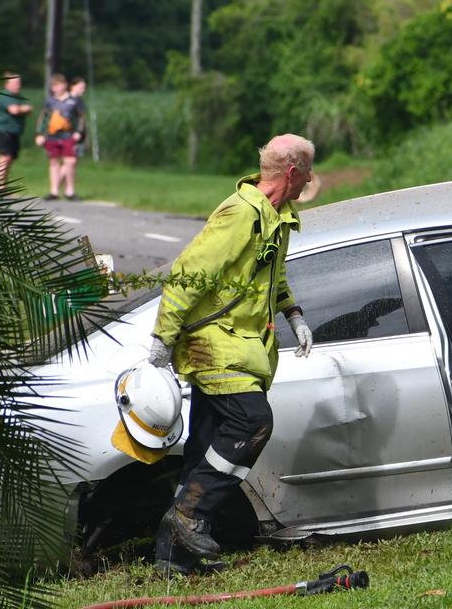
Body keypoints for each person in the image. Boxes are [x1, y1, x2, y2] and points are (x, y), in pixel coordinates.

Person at [146, 134, 316, 576]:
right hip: (216, 345)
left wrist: (293, 313)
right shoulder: (241, 213)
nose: (311, 179)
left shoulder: (275, 216)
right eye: (310, 170)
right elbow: (188, 274)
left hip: (241, 345)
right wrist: (163, 339)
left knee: (204, 444)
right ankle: (188, 515)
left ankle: (172, 559)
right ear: (293, 172)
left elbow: (270, 277)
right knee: (253, 421)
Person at [33, 73, 83, 200]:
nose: (56, 88)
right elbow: (43, 118)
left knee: (70, 161)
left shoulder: (73, 100)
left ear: (65, 85)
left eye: (58, 85)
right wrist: (39, 133)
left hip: (68, 134)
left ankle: (69, 190)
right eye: (54, 86)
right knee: (54, 161)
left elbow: (80, 118)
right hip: (52, 135)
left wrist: (78, 131)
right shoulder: (50, 102)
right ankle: (54, 190)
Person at [0, 74, 33, 189]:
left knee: (10, 158)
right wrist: (24, 109)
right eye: (15, 83)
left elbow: (28, 109)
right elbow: (14, 110)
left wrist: (24, 109)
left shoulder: (18, 96)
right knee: (5, 156)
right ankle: (0, 185)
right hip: (3, 131)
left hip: (14, 132)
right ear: (7, 84)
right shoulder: (5, 96)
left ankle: (4, 184)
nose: (17, 86)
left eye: (19, 83)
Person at [68, 76, 89, 160]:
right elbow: (81, 118)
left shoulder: (78, 100)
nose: (83, 90)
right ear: (72, 86)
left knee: (71, 161)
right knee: (71, 160)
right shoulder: (75, 101)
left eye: (84, 88)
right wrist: (79, 131)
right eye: (81, 87)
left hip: (74, 134)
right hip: (73, 135)